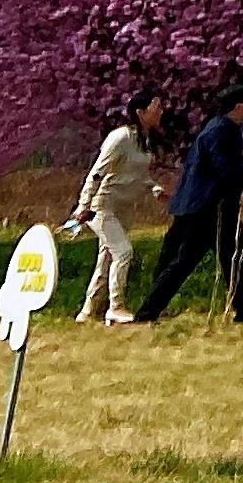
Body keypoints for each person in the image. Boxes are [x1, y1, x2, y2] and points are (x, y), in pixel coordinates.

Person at [133, 85, 243, 325]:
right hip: (210, 207)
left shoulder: (218, 127)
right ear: (238, 106)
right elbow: (225, 168)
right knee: (222, 257)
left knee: (206, 259)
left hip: (198, 205)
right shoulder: (222, 130)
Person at [67, 92, 167, 324]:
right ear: (140, 112)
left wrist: (155, 189)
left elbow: (139, 176)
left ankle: (87, 311)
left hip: (124, 207)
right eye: (157, 107)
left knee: (107, 258)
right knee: (123, 252)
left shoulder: (144, 139)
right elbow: (97, 172)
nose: (161, 111)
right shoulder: (120, 137)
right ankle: (116, 306)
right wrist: (83, 206)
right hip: (102, 206)